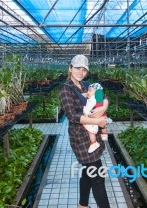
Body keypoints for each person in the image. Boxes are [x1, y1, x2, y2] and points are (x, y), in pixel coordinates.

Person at [59, 54, 111, 208]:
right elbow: (71, 115)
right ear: (70, 68)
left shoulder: (86, 85)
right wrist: (97, 121)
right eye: (77, 68)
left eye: (84, 70)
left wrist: (104, 105)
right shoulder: (65, 89)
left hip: (93, 135)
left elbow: (104, 94)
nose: (80, 72)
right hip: (81, 139)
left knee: (88, 171)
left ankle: (82, 205)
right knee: (97, 177)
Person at [83, 83, 112, 153]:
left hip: (92, 121)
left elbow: (105, 97)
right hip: (82, 134)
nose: (88, 92)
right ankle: (102, 136)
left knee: (93, 130)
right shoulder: (66, 89)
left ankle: (96, 141)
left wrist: (104, 107)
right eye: (88, 90)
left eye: (89, 90)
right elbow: (72, 115)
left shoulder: (94, 97)